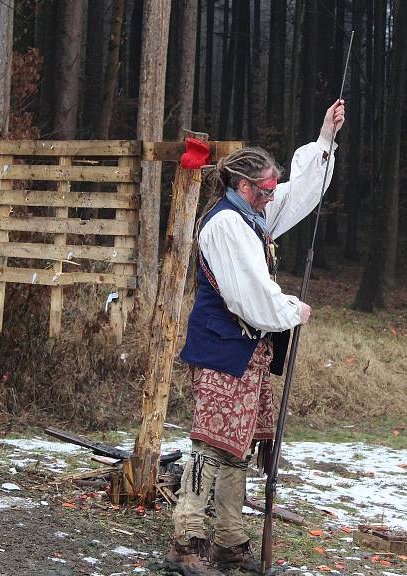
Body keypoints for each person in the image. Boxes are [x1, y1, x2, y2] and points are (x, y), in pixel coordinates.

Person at [165, 100, 345, 576]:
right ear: (242, 186)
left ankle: (228, 542)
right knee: (209, 444)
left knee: (238, 446)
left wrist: (325, 138)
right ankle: (186, 543)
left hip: (247, 352)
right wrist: (290, 310)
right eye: (264, 188)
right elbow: (249, 294)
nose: (271, 196)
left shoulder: (252, 214)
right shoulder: (227, 224)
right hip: (222, 347)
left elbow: (298, 194)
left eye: (270, 188)